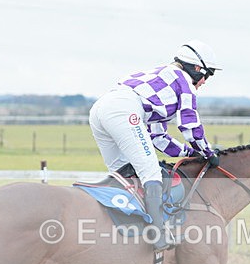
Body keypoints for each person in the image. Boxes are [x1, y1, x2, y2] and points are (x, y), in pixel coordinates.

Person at [89, 40, 221, 251]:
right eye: (208, 74)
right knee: (150, 172)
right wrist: (207, 151)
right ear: (197, 68)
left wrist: (187, 152)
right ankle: (157, 235)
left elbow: (158, 137)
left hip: (101, 108)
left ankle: (122, 228)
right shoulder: (185, 83)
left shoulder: (163, 78)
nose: (205, 81)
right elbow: (189, 123)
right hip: (124, 109)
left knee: (123, 171)